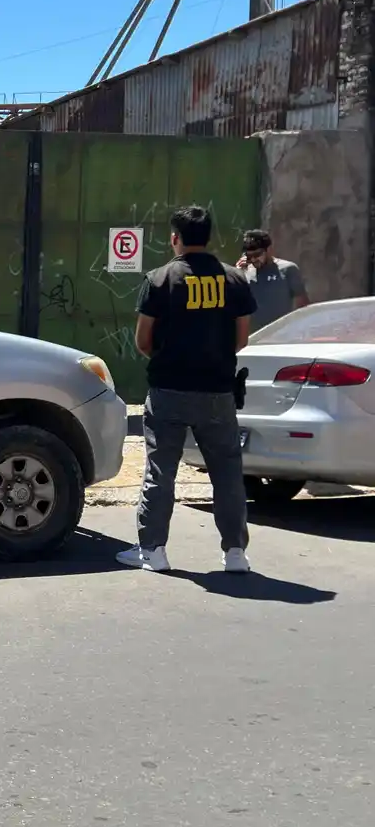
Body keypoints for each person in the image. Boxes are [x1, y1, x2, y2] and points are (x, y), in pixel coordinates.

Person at [116, 205, 257, 574]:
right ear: (208, 237)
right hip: (218, 391)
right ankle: (235, 553)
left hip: (169, 389)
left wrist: (169, 359)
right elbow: (241, 339)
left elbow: (143, 340)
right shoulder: (234, 280)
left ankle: (153, 551)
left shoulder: (160, 279)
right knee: (226, 472)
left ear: (175, 238)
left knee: (160, 471)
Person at [236, 228, 309, 333]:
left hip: (282, 335)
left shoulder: (288, 269)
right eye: (249, 256)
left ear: (269, 250)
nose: (253, 259)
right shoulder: (244, 273)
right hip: (254, 337)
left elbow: (302, 306)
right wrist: (237, 274)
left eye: (257, 255)